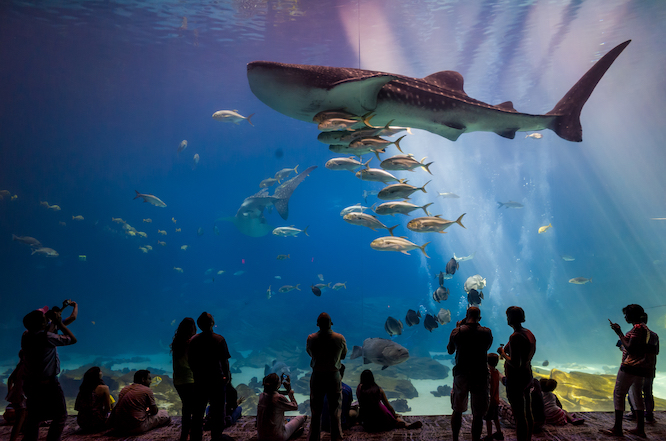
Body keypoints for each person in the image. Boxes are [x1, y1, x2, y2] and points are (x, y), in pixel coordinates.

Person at [21, 305, 77, 441]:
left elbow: (48, 327)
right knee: (60, 416)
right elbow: (72, 339)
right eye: (45, 318)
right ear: (42, 323)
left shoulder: (26, 335)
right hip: (48, 384)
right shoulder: (46, 337)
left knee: (34, 418)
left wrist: (60, 311)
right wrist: (58, 321)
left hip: (30, 384)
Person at [602, 304, 652, 437]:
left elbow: (630, 348)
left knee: (619, 394)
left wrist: (619, 333)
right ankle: (640, 429)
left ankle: (617, 428)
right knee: (636, 397)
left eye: (627, 314)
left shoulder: (638, 329)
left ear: (633, 315)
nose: (625, 316)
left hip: (630, 367)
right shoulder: (644, 328)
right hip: (640, 367)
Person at [447, 306, 493, 441]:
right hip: (480, 374)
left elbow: (450, 350)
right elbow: (487, 347)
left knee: (457, 409)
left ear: (466, 316)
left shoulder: (458, 332)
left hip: (461, 373)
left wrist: (457, 328)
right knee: (478, 413)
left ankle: (455, 439)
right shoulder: (486, 332)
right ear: (480, 318)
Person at [188, 311, 231, 441]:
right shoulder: (219, 339)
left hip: (200, 380)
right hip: (217, 380)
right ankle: (216, 437)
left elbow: (190, 361)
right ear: (212, 323)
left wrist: (196, 373)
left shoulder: (193, 340)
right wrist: (227, 376)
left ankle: (196, 437)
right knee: (218, 412)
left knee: (198, 411)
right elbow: (224, 361)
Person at [306, 312, 347, 441]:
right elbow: (344, 355)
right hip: (333, 376)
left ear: (317, 324)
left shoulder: (311, 338)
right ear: (331, 323)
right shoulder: (339, 338)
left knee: (315, 410)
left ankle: (314, 437)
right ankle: (336, 437)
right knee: (335, 410)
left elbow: (310, 353)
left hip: (317, 376)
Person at [497, 306, 536, 441]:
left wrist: (502, 353)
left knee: (519, 415)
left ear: (510, 318)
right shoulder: (528, 333)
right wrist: (506, 349)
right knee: (528, 412)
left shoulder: (515, 337)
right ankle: (528, 438)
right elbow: (514, 349)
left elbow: (515, 363)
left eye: (508, 316)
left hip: (516, 380)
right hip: (527, 376)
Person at [356, 369, 422, 432]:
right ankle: (405, 424)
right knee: (394, 418)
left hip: (367, 423)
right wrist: (394, 414)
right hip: (382, 419)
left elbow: (361, 403)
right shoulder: (378, 390)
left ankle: (396, 423)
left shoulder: (359, 389)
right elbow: (388, 406)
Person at [111, 369, 170, 434]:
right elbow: (154, 411)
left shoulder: (124, 389)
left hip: (120, 426)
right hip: (136, 427)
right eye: (149, 379)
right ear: (143, 379)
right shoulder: (147, 390)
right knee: (164, 413)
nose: (150, 381)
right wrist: (148, 410)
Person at [626, 312, 660, 424]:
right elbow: (656, 351)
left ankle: (634, 413)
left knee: (634, 392)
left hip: (637, 368)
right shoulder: (654, 335)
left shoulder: (631, 334)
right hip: (650, 368)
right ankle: (649, 415)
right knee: (648, 392)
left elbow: (630, 350)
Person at [256, 373, 307, 441]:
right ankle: (291, 434)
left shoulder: (261, 396)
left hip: (261, 437)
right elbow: (295, 406)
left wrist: (278, 384)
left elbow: (272, 392)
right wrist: (289, 390)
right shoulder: (279, 398)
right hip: (277, 438)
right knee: (301, 417)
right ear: (278, 384)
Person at [171, 317, 197, 441]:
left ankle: (185, 433)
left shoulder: (176, 343)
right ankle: (191, 434)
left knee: (186, 407)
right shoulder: (192, 342)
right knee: (193, 408)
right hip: (190, 379)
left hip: (178, 380)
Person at [74, 366, 113, 432]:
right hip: (97, 422)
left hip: (82, 422)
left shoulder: (83, 388)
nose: (101, 372)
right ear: (97, 375)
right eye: (100, 371)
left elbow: (77, 407)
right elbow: (108, 408)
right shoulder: (104, 388)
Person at [321, 364, 357, 432]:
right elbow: (347, 408)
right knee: (355, 411)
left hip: (324, 424)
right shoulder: (347, 389)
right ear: (342, 374)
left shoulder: (323, 387)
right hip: (340, 425)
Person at [5, 350, 27, 441]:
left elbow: (10, 380)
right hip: (22, 396)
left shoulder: (20, 366)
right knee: (20, 419)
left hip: (17, 395)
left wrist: (11, 393)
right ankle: (13, 439)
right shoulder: (26, 366)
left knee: (23, 417)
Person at [484, 353, 504, 441]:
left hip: (489, 401)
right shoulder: (497, 372)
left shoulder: (488, 374)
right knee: (495, 418)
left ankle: (489, 436)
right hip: (496, 400)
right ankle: (499, 433)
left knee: (488, 419)